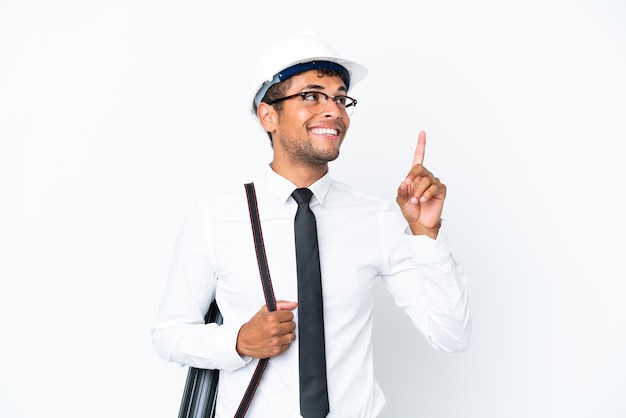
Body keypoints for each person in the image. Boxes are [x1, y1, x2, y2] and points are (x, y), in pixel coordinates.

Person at [152, 32, 472, 418]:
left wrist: (426, 235)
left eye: (340, 98)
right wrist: (238, 341)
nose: (334, 110)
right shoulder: (214, 217)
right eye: (311, 95)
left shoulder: (378, 217)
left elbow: (452, 335)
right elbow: (168, 334)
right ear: (267, 114)